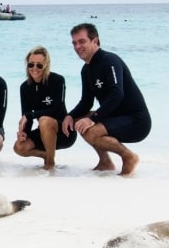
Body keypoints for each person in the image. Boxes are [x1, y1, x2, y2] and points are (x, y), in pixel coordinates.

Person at [62, 23, 151, 175]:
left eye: (82, 41)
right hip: (115, 118)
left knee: (91, 130)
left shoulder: (110, 60)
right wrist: (70, 115)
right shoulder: (86, 69)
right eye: (74, 43)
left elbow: (117, 93)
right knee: (79, 121)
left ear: (95, 41)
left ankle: (128, 157)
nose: (77, 46)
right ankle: (105, 162)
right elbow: (86, 102)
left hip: (136, 121)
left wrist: (93, 119)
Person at [13, 46, 77, 170]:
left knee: (44, 120)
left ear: (46, 66)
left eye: (39, 65)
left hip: (64, 132)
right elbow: (26, 116)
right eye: (31, 65)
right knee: (19, 147)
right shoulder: (25, 87)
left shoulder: (58, 80)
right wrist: (24, 133)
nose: (34, 69)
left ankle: (49, 164)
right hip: (44, 133)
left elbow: (57, 109)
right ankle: (47, 155)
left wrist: (31, 114)